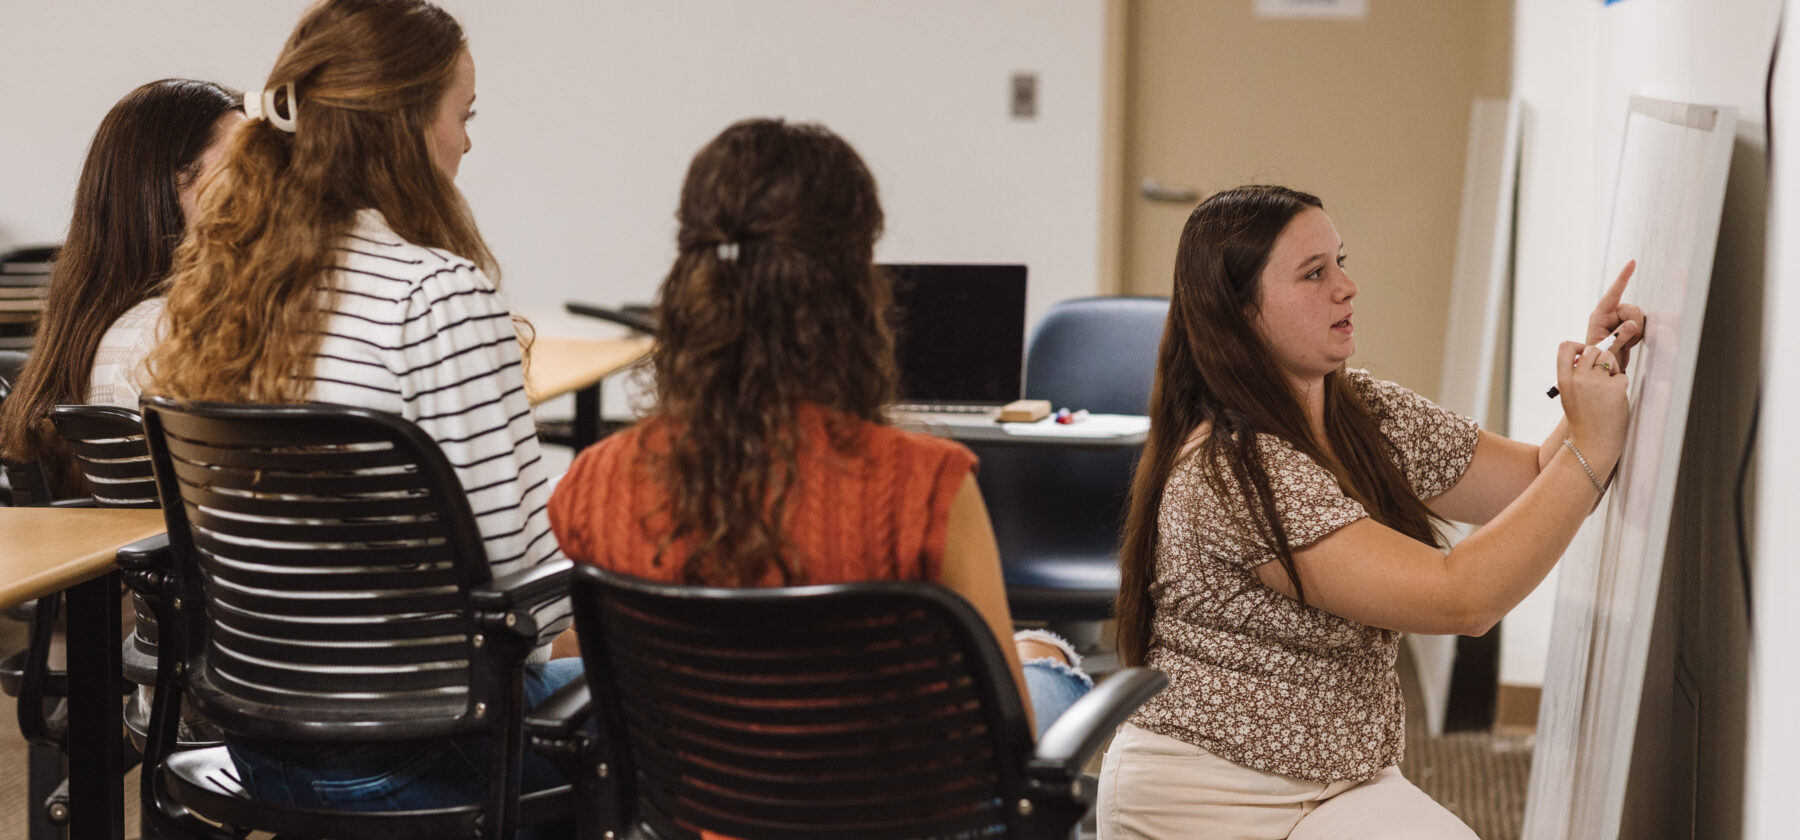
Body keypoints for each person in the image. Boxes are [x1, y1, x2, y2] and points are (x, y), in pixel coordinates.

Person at [1097, 184, 1640, 839]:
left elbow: (1528, 481)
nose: (1347, 286)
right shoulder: (1231, 469)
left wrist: (1595, 377)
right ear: (1240, 312)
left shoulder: (1365, 413)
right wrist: (1592, 445)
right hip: (1208, 794)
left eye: (1341, 261)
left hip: (1340, 781)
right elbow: (1461, 600)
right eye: (1314, 273)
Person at [143, 0, 576, 817]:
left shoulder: (221, 293)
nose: (468, 143)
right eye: (463, 116)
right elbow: (518, 581)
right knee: (703, 705)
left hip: (259, 740)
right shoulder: (436, 293)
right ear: (408, 126)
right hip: (434, 749)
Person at [547, 117, 1092, 740]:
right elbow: (1005, 730)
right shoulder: (928, 484)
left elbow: (588, 665)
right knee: (1049, 666)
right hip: (897, 806)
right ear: (856, 287)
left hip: (692, 812)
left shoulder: (593, 484)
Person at [0, 79, 242, 494]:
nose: (272, 190)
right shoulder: (168, 333)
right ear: (168, 189)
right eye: (243, 170)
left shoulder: (101, 323)